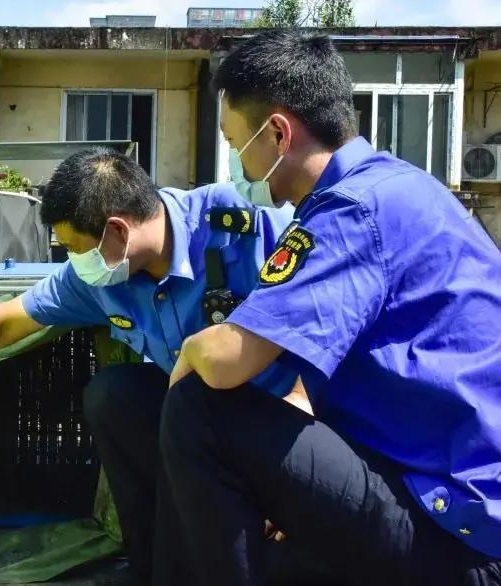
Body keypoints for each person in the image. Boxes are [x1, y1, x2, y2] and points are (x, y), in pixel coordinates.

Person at [0, 148, 299, 581]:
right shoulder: (98, 277)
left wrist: (293, 450)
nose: (73, 261)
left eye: (75, 248)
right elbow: (2, 325)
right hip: (198, 423)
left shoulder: (244, 224)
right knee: (117, 396)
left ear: (117, 230)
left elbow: (327, 316)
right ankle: (156, 564)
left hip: (285, 418)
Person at [165, 30, 501, 585]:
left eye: (233, 141)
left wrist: (192, 350)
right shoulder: (399, 186)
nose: (233, 163)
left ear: (276, 132)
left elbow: (227, 361)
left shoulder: (349, 211)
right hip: (457, 496)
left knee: (198, 406)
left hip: (457, 529)